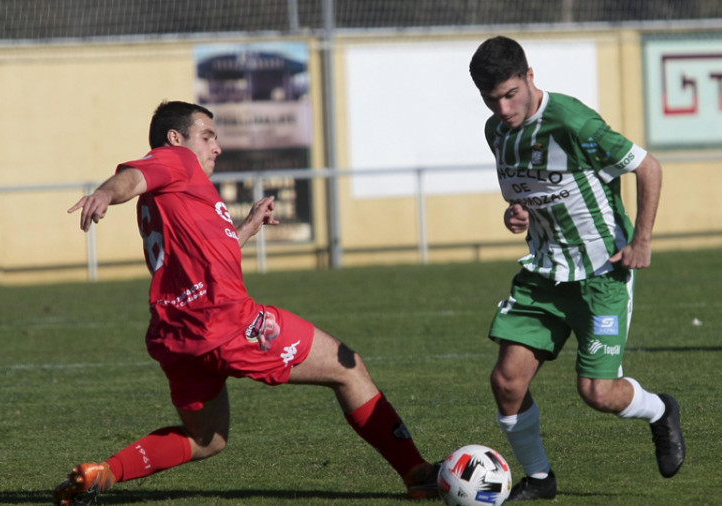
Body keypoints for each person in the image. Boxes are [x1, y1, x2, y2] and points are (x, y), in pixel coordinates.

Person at [54, 100, 439, 505]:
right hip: (227, 323)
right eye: (208, 136)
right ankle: (418, 475)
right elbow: (132, 176)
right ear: (176, 139)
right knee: (349, 368)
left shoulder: (175, 196)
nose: (216, 147)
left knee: (207, 439)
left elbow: (207, 255)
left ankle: (105, 473)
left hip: (177, 337)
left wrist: (247, 228)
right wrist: (104, 193)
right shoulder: (176, 161)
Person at [468, 36, 685, 500]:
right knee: (507, 382)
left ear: (529, 76)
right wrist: (516, 214)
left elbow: (648, 167)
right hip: (542, 274)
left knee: (598, 393)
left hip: (600, 275)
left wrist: (642, 240)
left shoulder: (571, 120)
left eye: (510, 94)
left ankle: (660, 410)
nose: (503, 108)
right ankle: (541, 479)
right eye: (492, 99)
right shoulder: (496, 131)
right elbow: (525, 195)